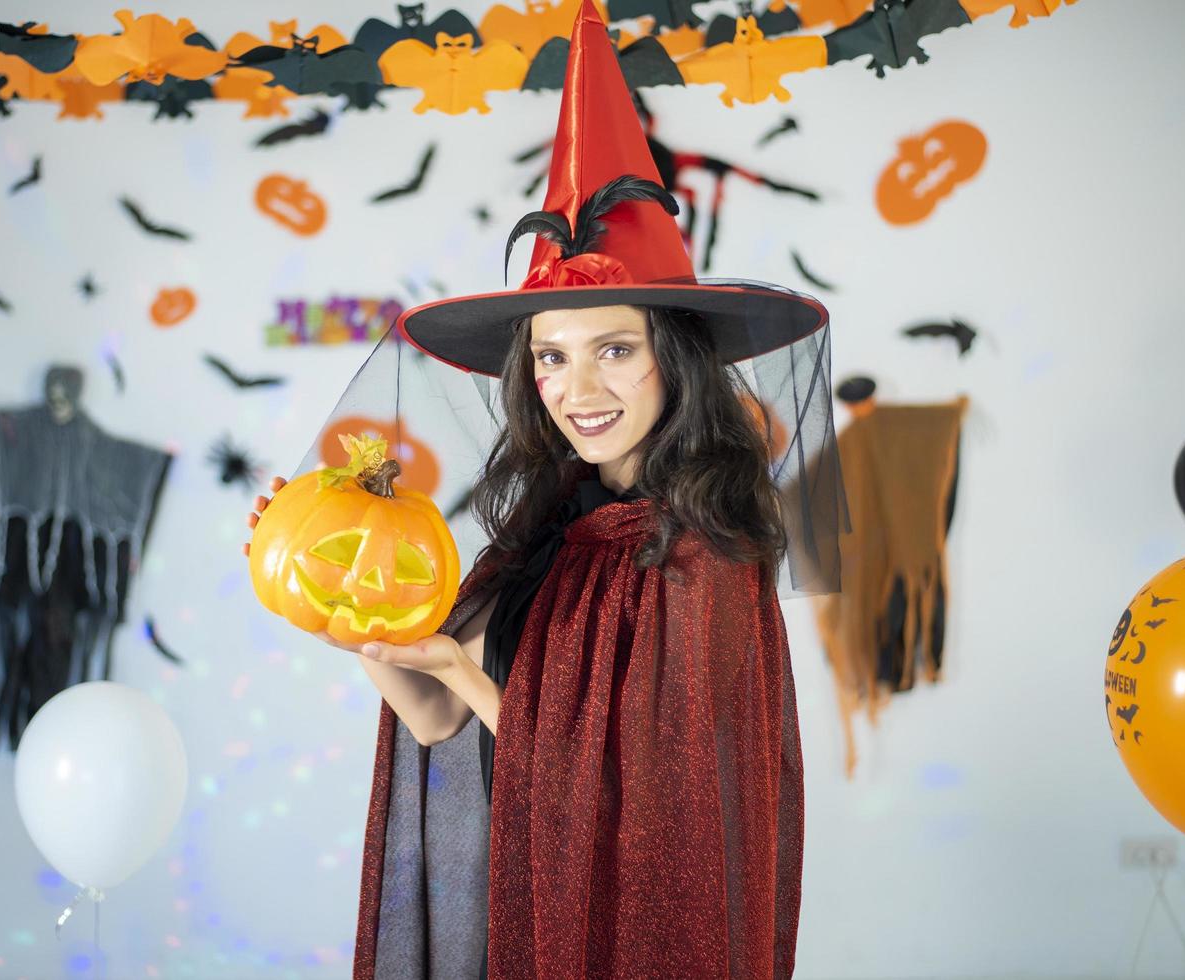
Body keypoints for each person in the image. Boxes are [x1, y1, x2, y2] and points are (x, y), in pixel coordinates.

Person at [245, 4, 838, 976]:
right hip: (510, 921)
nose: (580, 389)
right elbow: (437, 721)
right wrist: (345, 615)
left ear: (674, 356)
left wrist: (471, 675)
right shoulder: (540, 532)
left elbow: (645, 817)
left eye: (614, 348)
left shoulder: (706, 551)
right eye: (553, 357)